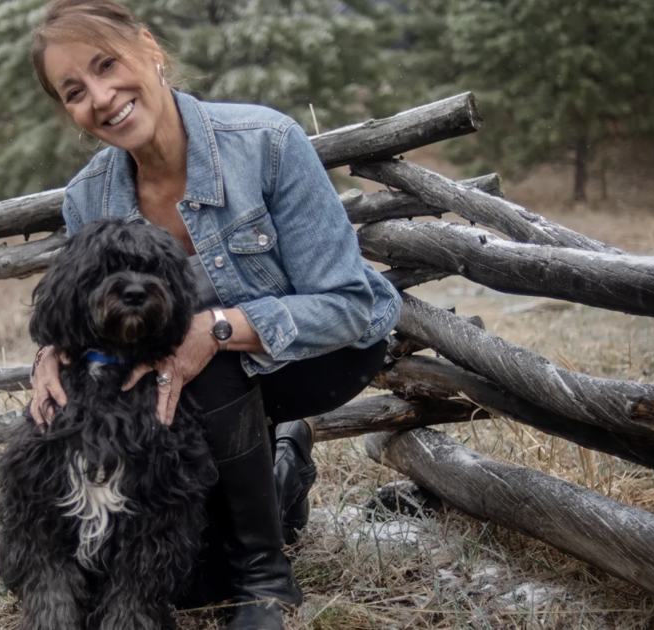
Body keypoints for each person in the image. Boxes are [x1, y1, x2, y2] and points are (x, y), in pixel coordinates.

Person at [26, 1, 402, 628]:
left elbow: (349, 304)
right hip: (193, 385)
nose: (100, 96)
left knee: (197, 333)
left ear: (150, 49)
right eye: (74, 90)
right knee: (192, 581)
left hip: (322, 353)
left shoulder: (267, 142)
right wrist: (49, 353)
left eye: (106, 65)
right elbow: (85, 307)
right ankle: (282, 471)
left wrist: (219, 329)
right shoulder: (88, 197)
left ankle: (266, 579)